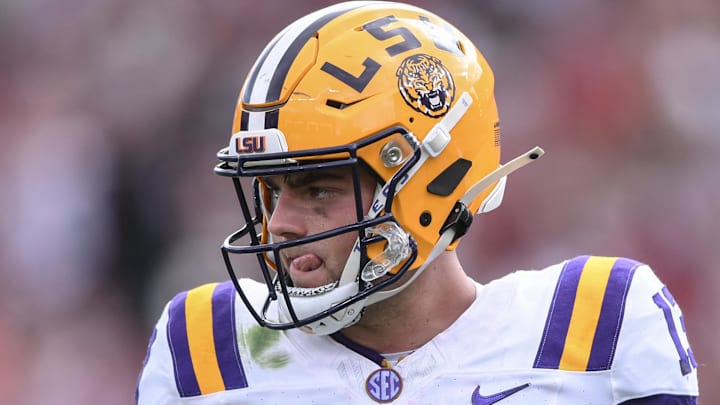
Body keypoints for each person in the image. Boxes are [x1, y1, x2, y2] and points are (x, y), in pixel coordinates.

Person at [136, 2, 699, 403]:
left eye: (318, 190)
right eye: (272, 193)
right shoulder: (205, 348)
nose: (280, 225)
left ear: (428, 182)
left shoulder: (595, 324)